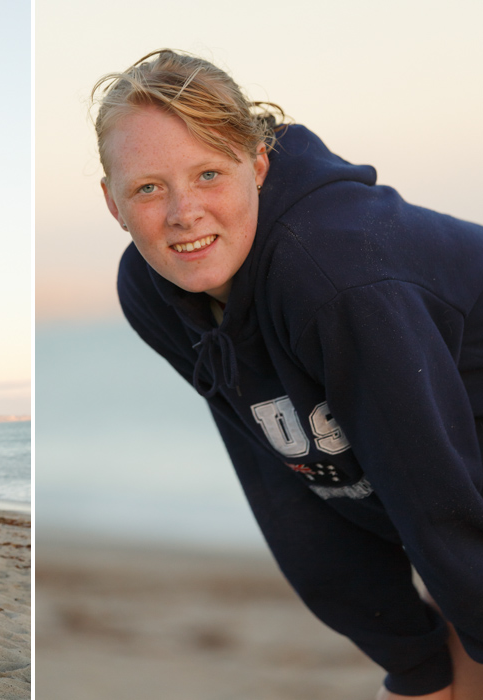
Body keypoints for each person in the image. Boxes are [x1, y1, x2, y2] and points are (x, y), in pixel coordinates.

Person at [93, 49, 483, 700]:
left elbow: (434, 500)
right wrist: (410, 660)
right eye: (149, 187)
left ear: (259, 162)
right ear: (112, 202)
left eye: (209, 173)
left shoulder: (336, 278)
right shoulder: (154, 290)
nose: (184, 213)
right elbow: (293, 481)